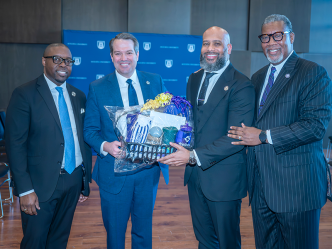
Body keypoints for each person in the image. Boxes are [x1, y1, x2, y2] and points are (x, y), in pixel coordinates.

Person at [228, 14, 332, 249]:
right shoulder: (258, 77)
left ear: (291, 37)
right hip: (262, 187)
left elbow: (314, 126)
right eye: (266, 37)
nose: (271, 42)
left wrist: (263, 136)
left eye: (278, 35)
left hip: (296, 189)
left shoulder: (312, 73)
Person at [158, 26, 255, 248]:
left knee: (227, 243)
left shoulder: (241, 84)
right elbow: (193, 124)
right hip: (196, 178)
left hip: (224, 181)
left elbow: (235, 138)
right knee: (204, 241)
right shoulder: (194, 78)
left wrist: (191, 156)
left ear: (228, 48)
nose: (210, 49)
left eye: (217, 44)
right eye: (206, 43)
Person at [83, 32, 168, 249]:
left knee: (143, 233)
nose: (124, 58)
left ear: (137, 54)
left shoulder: (155, 81)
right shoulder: (97, 87)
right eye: (118, 53)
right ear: (111, 57)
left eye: (129, 52)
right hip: (114, 173)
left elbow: (167, 122)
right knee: (115, 235)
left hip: (148, 172)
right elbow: (90, 131)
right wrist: (106, 146)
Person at [5, 43, 92, 249]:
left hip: (72, 179)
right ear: (44, 61)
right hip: (39, 185)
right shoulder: (24, 94)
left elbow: (81, 139)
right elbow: (15, 144)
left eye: (68, 61)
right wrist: (25, 190)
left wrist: (83, 181)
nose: (64, 64)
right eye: (57, 59)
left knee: (59, 240)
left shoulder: (78, 96)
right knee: (34, 242)